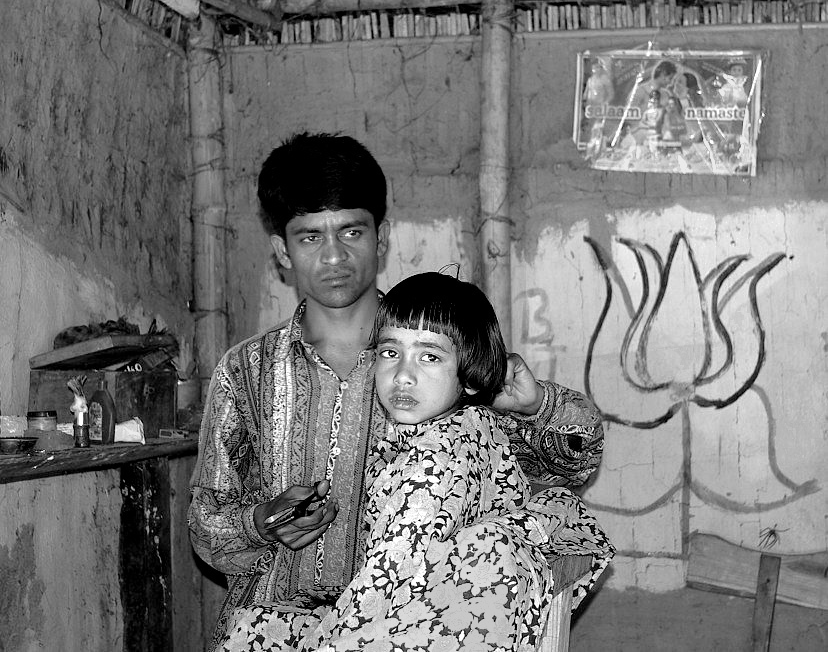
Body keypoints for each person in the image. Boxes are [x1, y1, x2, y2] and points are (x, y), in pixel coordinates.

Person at [188, 132, 606, 649]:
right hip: (272, 629)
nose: (335, 256)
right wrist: (260, 524)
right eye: (311, 237)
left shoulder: (439, 358)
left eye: (351, 232)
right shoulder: (245, 372)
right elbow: (206, 530)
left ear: (381, 238)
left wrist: (537, 405)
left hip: (413, 632)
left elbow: (575, 466)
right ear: (282, 251)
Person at [212, 272, 614, 651]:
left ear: (471, 378)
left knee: (253, 634)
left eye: (429, 357)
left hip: (403, 618)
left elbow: (385, 586)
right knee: (255, 627)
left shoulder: (433, 462)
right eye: (391, 352)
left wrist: (325, 639)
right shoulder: (464, 424)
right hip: (401, 608)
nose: (403, 374)